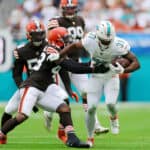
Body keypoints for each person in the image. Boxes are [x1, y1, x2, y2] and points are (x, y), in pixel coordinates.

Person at [0, 26, 107, 147]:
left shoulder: (57, 50)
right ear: (57, 40)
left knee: (64, 108)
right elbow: (72, 67)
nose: (68, 41)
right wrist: (94, 69)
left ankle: (72, 139)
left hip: (45, 88)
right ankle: (1, 133)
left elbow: (72, 65)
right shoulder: (52, 50)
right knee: (22, 116)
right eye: (65, 39)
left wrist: (91, 65)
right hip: (32, 87)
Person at [59, 20, 140, 146]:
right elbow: (74, 46)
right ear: (97, 36)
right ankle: (90, 138)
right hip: (96, 76)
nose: (106, 42)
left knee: (110, 105)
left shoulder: (119, 44)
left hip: (111, 76)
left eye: (109, 40)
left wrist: (124, 70)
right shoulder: (90, 39)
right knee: (90, 108)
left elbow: (136, 63)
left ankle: (114, 118)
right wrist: (60, 55)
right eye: (104, 40)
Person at [44, 0, 109, 135]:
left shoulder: (80, 20)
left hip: (76, 61)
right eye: (67, 8)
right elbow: (50, 40)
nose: (69, 11)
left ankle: (95, 124)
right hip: (60, 64)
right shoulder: (55, 22)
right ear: (62, 8)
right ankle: (48, 112)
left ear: (76, 8)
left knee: (87, 92)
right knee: (59, 98)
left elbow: (83, 40)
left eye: (72, 8)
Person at [1, 19, 47, 129]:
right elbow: (16, 74)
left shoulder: (49, 47)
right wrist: (23, 90)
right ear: (28, 35)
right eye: (35, 34)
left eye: (40, 34)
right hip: (30, 85)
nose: (38, 37)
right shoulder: (22, 50)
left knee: (63, 106)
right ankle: (2, 134)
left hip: (47, 85)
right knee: (9, 110)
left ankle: (66, 132)